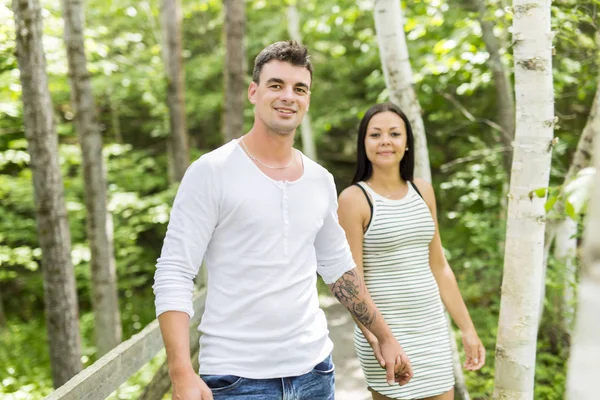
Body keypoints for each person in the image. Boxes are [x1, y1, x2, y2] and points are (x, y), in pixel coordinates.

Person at [153, 41, 413, 400]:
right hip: (236, 379)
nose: (288, 96)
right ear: (253, 91)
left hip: (315, 372)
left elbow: (339, 269)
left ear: (307, 100)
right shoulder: (211, 171)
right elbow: (175, 272)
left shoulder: (319, 179)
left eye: (299, 88)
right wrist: (180, 370)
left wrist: (383, 336)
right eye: (276, 85)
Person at [337, 103, 486, 400]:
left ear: (407, 142)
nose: (385, 141)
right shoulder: (354, 199)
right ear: (363, 143)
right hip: (386, 335)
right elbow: (353, 286)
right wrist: (379, 340)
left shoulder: (423, 190)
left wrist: (467, 329)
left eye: (394, 133)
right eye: (375, 134)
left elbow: (439, 266)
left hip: (431, 330)